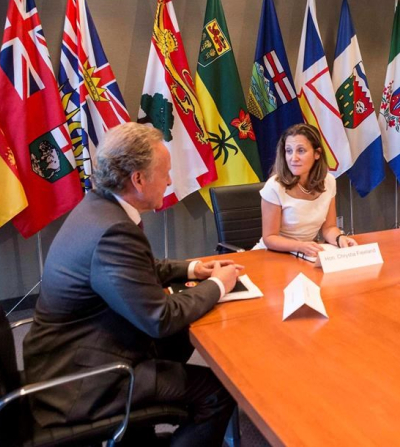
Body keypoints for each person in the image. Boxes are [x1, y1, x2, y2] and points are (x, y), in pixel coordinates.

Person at [23, 123, 240, 446]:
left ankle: (136, 437)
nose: (169, 181)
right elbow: (159, 318)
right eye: (165, 173)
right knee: (218, 392)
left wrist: (194, 269)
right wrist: (219, 286)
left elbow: (135, 267)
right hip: (84, 380)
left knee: (183, 339)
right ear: (138, 179)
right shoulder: (112, 230)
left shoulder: (98, 207)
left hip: (69, 355)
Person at [255, 123, 357, 256]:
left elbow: (329, 228)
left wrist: (339, 238)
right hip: (272, 255)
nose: (293, 158)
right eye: (289, 151)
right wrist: (300, 246)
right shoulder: (274, 186)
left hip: (305, 254)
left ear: (317, 153)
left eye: (301, 150)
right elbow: (270, 238)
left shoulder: (329, 181)